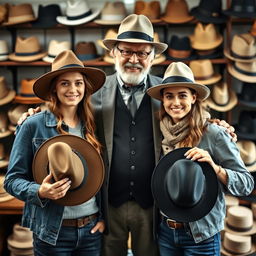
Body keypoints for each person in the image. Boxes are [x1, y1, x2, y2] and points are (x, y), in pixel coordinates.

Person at [16, 15, 238, 256]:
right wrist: (34, 114)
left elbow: (190, 115)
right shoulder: (93, 94)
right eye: (126, 51)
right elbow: (64, 110)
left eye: (142, 53)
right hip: (109, 206)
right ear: (114, 53)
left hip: (152, 205)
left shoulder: (165, 93)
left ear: (153, 57)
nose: (134, 59)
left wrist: (215, 124)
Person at [4, 50, 106, 256]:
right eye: (64, 83)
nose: (73, 89)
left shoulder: (95, 123)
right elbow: (12, 180)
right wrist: (40, 191)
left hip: (91, 230)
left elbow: (103, 175)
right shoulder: (33, 125)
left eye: (78, 82)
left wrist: (103, 218)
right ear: (54, 89)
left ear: (85, 87)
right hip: (53, 232)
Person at [146, 61, 254, 256]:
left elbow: (246, 183)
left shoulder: (214, 133)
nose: (176, 102)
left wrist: (214, 168)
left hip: (201, 236)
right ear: (162, 99)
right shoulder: (157, 132)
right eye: (169, 96)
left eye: (183, 95)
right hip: (166, 233)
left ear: (194, 97)